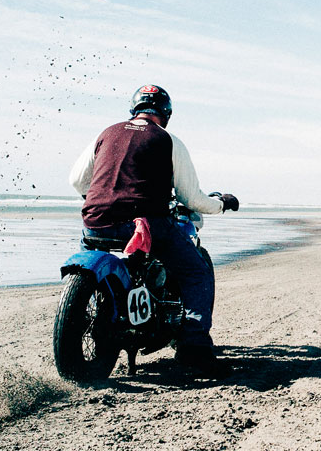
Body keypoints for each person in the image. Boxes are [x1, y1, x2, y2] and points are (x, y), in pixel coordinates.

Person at [69, 84, 239, 375]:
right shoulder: (167, 140)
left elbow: (77, 181)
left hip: (95, 222)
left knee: (97, 243)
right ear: (166, 114)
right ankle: (194, 349)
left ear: (134, 110)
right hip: (145, 225)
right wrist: (221, 204)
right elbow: (191, 198)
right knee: (195, 272)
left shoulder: (105, 133)